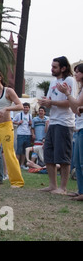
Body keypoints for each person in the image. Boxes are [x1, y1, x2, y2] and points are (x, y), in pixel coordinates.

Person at [38, 56, 77, 195]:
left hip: (64, 123)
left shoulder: (69, 81)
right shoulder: (53, 82)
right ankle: (52, 185)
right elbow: (50, 99)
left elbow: (70, 102)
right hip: (53, 121)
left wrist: (51, 103)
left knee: (63, 156)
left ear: (63, 68)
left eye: (55, 67)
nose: (52, 69)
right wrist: (44, 101)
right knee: (48, 153)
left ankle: (63, 187)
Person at [56, 62, 83, 201]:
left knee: (82, 162)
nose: (76, 74)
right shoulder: (80, 90)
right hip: (78, 127)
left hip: (81, 128)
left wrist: (67, 93)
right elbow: (75, 109)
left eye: (78, 72)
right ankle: (80, 190)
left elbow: (77, 105)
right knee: (77, 162)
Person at [13, 102, 33, 169]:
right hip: (20, 134)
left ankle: (22, 165)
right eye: (24, 107)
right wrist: (18, 122)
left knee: (25, 150)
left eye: (27, 107)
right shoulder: (19, 115)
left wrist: (30, 123)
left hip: (28, 134)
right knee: (19, 150)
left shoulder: (30, 116)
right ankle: (16, 164)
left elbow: (31, 125)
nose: (25, 108)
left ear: (29, 108)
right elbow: (13, 121)